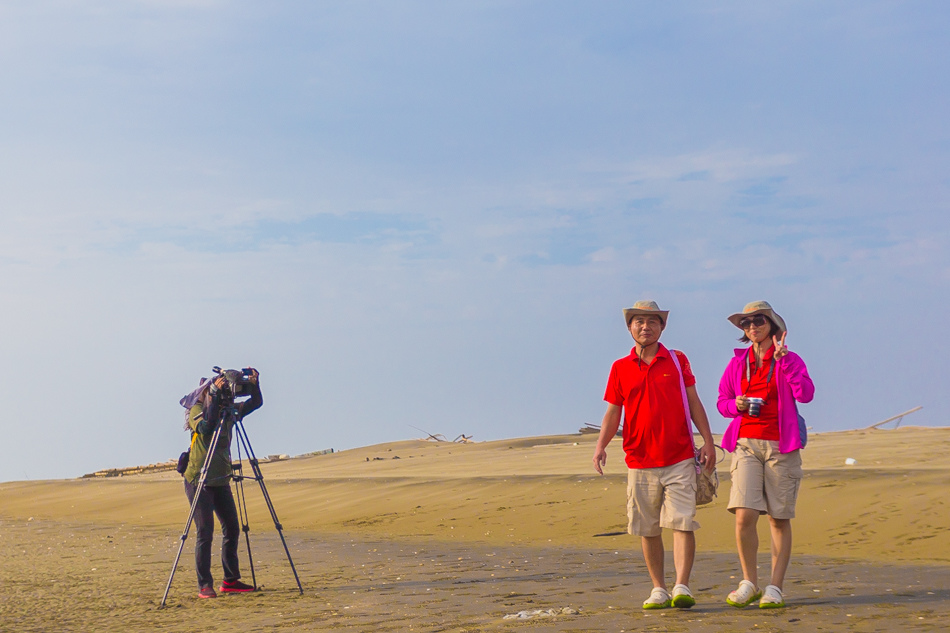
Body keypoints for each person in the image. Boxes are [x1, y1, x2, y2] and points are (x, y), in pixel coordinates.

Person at [593, 300, 716, 610]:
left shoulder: (677, 360)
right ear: (630, 327)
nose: (645, 326)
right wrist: (600, 446)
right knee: (647, 528)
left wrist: (709, 441)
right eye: (638, 322)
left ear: (662, 327)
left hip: (679, 457)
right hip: (639, 459)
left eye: (652, 322)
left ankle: (681, 587)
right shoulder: (619, 367)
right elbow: (613, 412)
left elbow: (694, 402)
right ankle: (659, 588)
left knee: (683, 523)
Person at [717, 301, 814, 609]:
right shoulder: (737, 363)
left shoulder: (790, 359)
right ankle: (749, 582)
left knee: (778, 518)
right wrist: (737, 406)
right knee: (744, 515)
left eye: (758, 320)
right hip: (746, 442)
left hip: (781, 445)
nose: (752, 326)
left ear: (772, 325)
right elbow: (722, 401)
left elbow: (806, 394)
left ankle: (775, 587)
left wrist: (785, 363)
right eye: (746, 323)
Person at [181, 368, 263, 599]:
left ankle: (230, 580)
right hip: (199, 478)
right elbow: (206, 427)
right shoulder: (196, 410)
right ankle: (204, 585)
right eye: (217, 388)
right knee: (205, 531)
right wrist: (214, 398)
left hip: (220, 479)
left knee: (232, 528)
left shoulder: (230, 412)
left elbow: (256, 403)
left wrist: (254, 384)